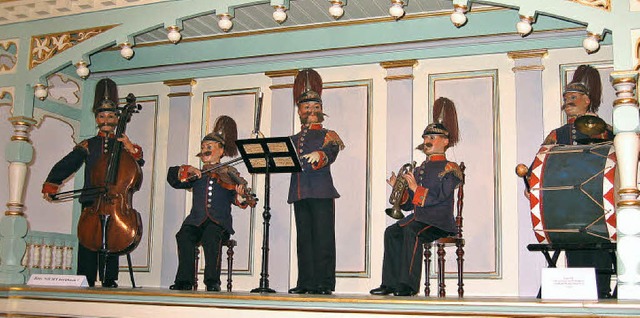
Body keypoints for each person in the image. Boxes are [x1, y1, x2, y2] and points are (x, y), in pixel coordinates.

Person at [42, 78, 144, 288]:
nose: (106, 119)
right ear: (97, 119)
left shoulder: (124, 145)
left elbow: (139, 159)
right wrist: (52, 183)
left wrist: (129, 146)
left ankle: (109, 278)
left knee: (114, 235)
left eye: (111, 116)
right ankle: (85, 278)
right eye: (102, 116)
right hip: (92, 200)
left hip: (116, 202)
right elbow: (68, 163)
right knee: (88, 238)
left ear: (117, 118)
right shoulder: (89, 144)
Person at [370, 97, 462, 297]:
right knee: (391, 232)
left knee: (412, 231)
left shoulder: (451, 169)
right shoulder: (420, 168)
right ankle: (390, 283)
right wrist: (399, 188)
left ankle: (408, 285)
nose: (427, 141)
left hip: (439, 221)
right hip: (419, 218)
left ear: (445, 142)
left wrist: (414, 187)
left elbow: (439, 196)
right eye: (426, 137)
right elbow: (409, 206)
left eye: (432, 138)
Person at [540, 65, 615, 299]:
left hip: (597, 203)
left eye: (573, 97)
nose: (568, 102)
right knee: (573, 245)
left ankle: (601, 292)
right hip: (567, 206)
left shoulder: (605, 129)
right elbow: (541, 160)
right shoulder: (556, 134)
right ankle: (577, 292)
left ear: (586, 100)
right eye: (566, 98)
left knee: (599, 247)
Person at [168, 116, 253, 292]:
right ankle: (184, 281)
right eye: (203, 147)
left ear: (221, 151)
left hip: (218, 222)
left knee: (211, 236)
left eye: (210, 147)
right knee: (183, 235)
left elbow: (237, 200)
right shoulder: (195, 173)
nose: (205, 150)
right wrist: (187, 169)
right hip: (196, 220)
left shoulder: (229, 173)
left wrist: (242, 195)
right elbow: (172, 178)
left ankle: (212, 281)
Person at [287, 69, 344, 295]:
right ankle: (306, 282)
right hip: (300, 192)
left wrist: (320, 156)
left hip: (321, 192)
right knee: (304, 241)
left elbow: (331, 152)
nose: (311, 111)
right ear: (299, 111)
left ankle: (324, 283)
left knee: (323, 239)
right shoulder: (292, 139)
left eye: (316, 108)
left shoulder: (328, 134)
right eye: (307, 108)